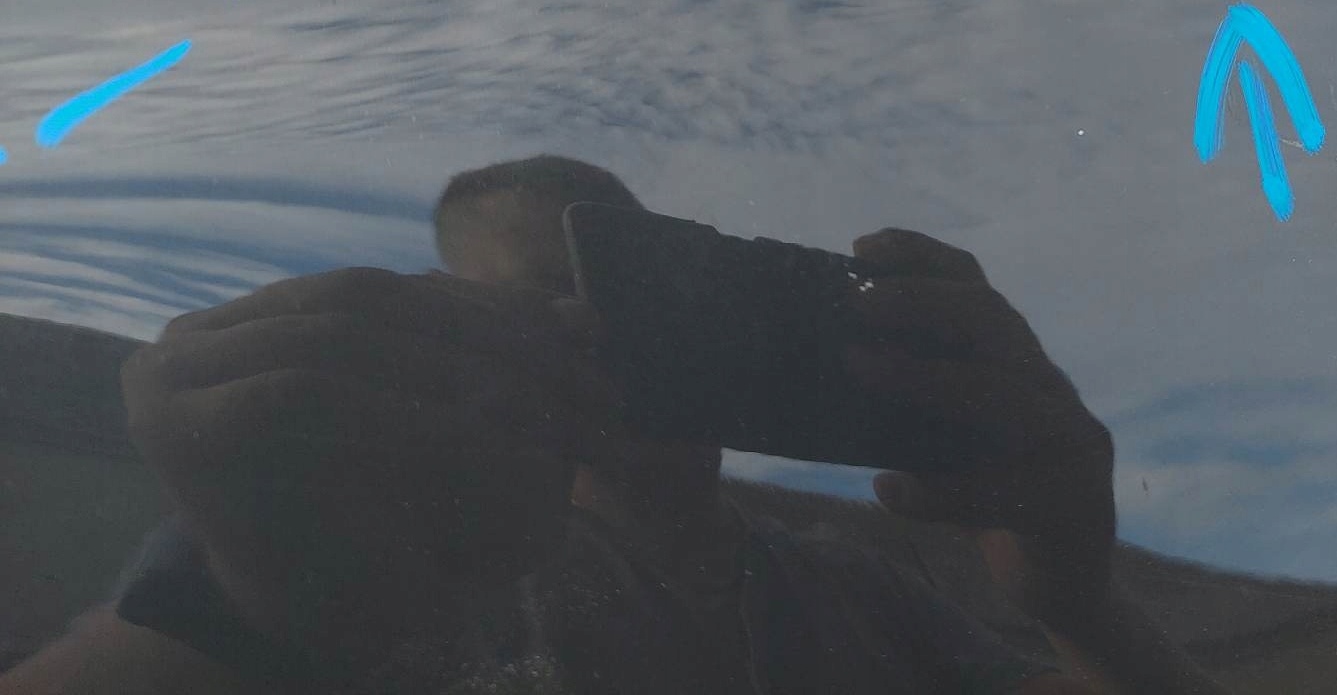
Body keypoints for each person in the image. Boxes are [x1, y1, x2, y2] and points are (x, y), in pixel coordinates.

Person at [0, 156, 1225, 694]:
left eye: (629, 277)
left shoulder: (852, 589)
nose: (589, 323)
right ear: (440, 326)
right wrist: (248, 605)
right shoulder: (379, 568)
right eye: (536, 296)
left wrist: (1076, 597)